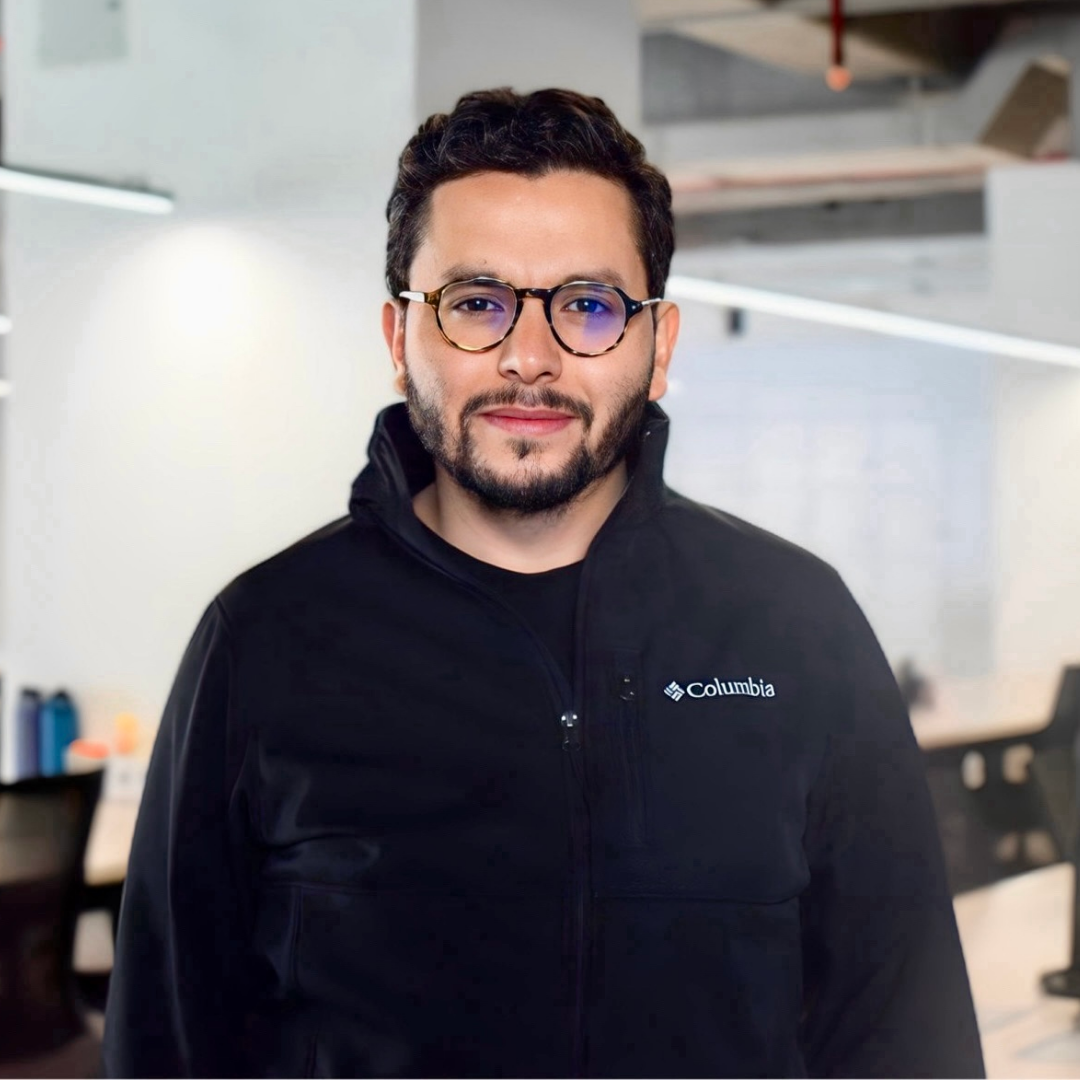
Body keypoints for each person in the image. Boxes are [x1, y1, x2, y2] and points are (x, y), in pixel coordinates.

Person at [104, 88, 984, 1078]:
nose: (530, 358)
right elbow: (167, 1045)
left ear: (659, 346)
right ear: (399, 339)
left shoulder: (794, 623)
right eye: (477, 303)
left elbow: (909, 1036)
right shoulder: (267, 635)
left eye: (589, 306)